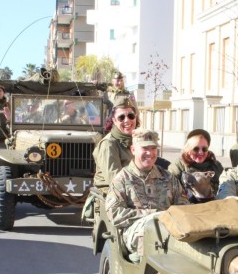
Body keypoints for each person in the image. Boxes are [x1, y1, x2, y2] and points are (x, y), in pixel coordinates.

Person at [106, 129, 188, 262]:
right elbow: (115, 214)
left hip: (168, 228)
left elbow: (183, 207)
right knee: (147, 235)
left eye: (153, 148)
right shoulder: (122, 179)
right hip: (135, 232)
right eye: (144, 148)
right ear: (133, 150)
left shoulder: (168, 177)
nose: (150, 153)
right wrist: (152, 215)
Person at [93, 95, 140, 191]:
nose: (127, 121)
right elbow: (117, 182)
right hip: (111, 200)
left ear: (135, 118)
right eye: (121, 117)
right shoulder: (109, 144)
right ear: (114, 121)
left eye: (131, 116)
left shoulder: (136, 140)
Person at [168, 128, 223, 203]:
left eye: (204, 149)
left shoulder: (216, 166)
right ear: (188, 149)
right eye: (196, 149)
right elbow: (169, 192)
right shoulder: (178, 167)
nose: (200, 152)